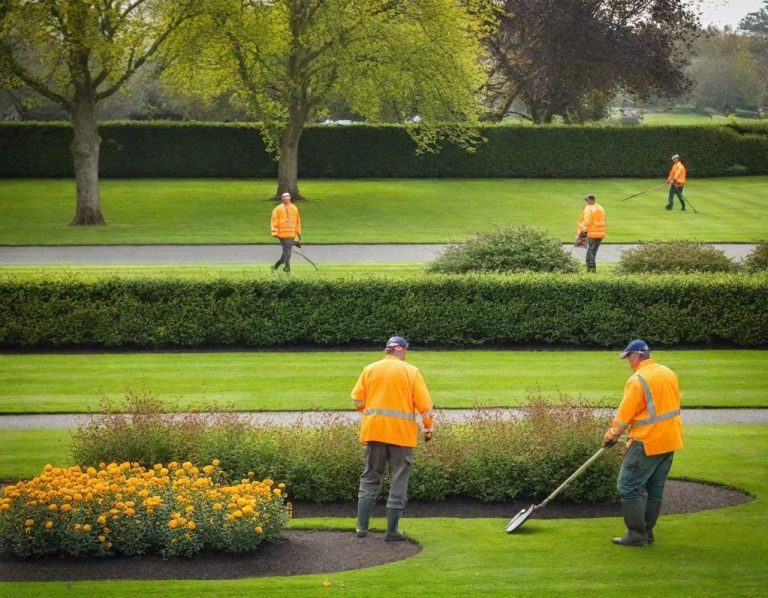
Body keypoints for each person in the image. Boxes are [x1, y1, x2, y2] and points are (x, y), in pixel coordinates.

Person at [351, 336, 434, 541]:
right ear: (402, 350)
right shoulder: (411, 371)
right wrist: (428, 429)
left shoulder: (370, 369)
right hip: (401, 436)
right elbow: (424, 406)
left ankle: (362, 528)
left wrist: (371, 414)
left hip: (374, 432)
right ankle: (392, 531)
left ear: (388, 350)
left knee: (370, 478)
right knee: (398, 480)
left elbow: (357, 399)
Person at [602, 339, 683, 546]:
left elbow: (624, 415)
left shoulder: (637, 380)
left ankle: (636, 534)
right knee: (655, 489)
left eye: (629, 357)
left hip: (647, 442)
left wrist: (611, 435)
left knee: (627, 485)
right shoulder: (668, 373)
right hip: (670, 440)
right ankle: (647, 532)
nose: (629, 361)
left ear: (637, 355)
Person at [270, 192, 301, 273]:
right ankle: (287, 269)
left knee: (285, 255)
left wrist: (297, 237)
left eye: (287, 197)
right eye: (284, 197)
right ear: (282, 199)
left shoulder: (294, 208)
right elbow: (274, 221)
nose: (286, 199)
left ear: (290, 198)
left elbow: (297, 221)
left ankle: (275, 267)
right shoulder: (277, 209)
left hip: (291, 235)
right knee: (288, 253)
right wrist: (275, 232)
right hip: (282, 235)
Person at [577, 194, 606, 272]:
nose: (586, 202)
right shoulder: (600, 207)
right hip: (600, 234)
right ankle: (591, 268)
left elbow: (587, 221)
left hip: (592, 233)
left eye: (587, 200)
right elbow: (604, 219)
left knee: (590, 252)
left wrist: (582, 231)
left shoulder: (588, 208)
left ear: (592, 200)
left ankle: (591, 269)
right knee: (593, 251)